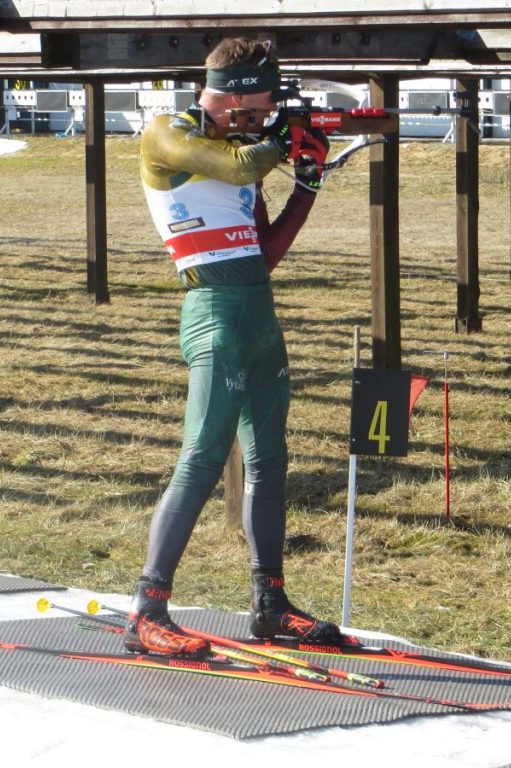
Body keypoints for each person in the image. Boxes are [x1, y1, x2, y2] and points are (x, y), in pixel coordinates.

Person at [124, 37, 344, 659]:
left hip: (256, 310)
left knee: (269, 459)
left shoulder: (239, 152)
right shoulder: (168, 133)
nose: (263, 116)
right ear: (231, 98)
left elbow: (263, 253)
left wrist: (308, 182)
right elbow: (245, 165)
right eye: (259, 106)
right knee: (201, 456)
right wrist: (284, 140)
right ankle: (147, 608)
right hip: (214, 311)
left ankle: (270, 603)